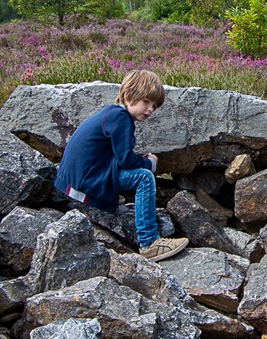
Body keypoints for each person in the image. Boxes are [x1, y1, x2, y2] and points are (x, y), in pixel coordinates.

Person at [54, 69, 188, 261]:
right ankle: (149, 242)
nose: (150, 109)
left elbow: (117, 156)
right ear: (127, 95)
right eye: (146, 102)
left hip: (73, 179)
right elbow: (126, 160)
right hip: (83, 182)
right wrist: (150, 163)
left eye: (154, 106)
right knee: (144, 177)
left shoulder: (112, 113)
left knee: (137, 173)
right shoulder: (121, 118)